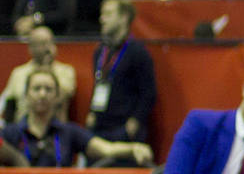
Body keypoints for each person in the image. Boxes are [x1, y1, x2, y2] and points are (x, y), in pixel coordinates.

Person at [1, 68, 152, 168]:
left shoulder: (69, 132)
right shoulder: (9, 133)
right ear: (26, 95)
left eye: (48, 89)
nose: (42, 94)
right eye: (36, 88)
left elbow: (107, 148)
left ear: (57, 96)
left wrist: (133, 148)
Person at [85, 0, 158, 159]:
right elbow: (99, 84)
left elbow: (149, 92)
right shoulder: (100, 52)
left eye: (108, 14)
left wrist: (136, 121)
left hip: (124, 129)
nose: (102, 19)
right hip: (99, 127)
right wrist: (92, 112)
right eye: (102, 14)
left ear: (124, 17)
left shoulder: (138, 52)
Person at [2, 25, 76, 122]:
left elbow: (60, 97)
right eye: (42, 43)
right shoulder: (18, 73)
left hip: (55, 131)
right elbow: (6, 103)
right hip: (22, 130)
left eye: (49, 42)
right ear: (30, 48)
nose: (47, 48)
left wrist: (47, 65)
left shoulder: (65, 71)